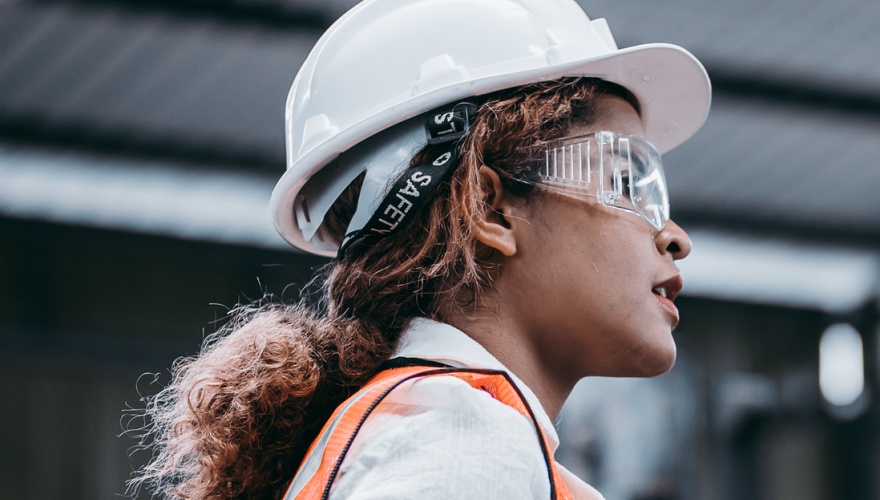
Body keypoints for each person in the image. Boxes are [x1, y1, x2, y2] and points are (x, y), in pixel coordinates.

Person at [131, 0, 707, 498]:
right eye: (625, 183)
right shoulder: (466, 440)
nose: (674, 236)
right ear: (490, 210)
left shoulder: (422, 426)